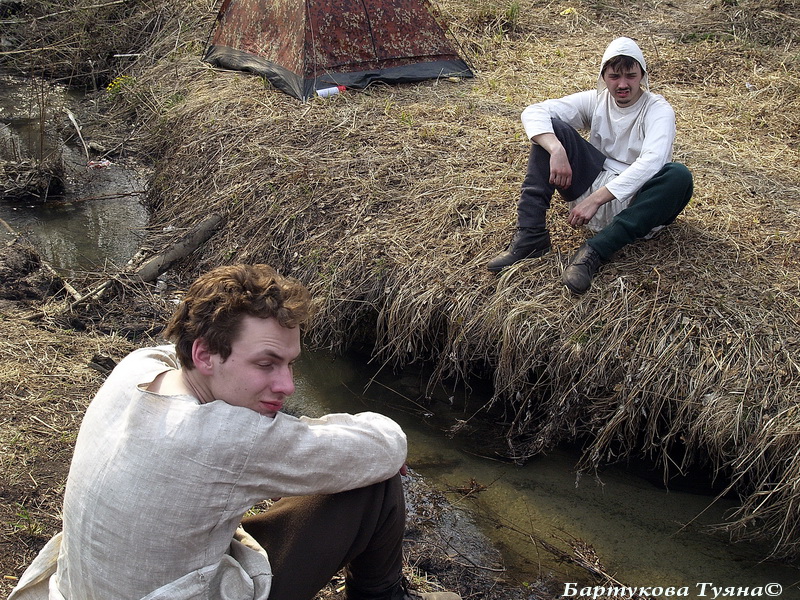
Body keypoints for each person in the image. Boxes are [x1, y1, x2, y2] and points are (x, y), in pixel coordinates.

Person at [8, 264, 460, 600]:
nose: (287, 385)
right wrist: (345, 439)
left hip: (83, 588)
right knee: (375, 486)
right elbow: (387, 445)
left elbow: (171, 352)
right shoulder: (226, 437)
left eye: (290, 364)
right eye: (266, 363)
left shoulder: (135, 368)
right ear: (204, 355)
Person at [487, 36, 694, 294]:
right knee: (550, 131)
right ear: (603, 76)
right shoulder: (596, 100)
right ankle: (530, 235)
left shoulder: (658, 110)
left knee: (678, 176)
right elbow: (534, 111)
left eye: (631, 76)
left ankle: (595, 250)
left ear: (642, 75)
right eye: (614, 76)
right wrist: (556, 149)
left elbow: (653, 161)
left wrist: (596, 199)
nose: (622, 84)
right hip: (592, 181)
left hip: (636, 204)